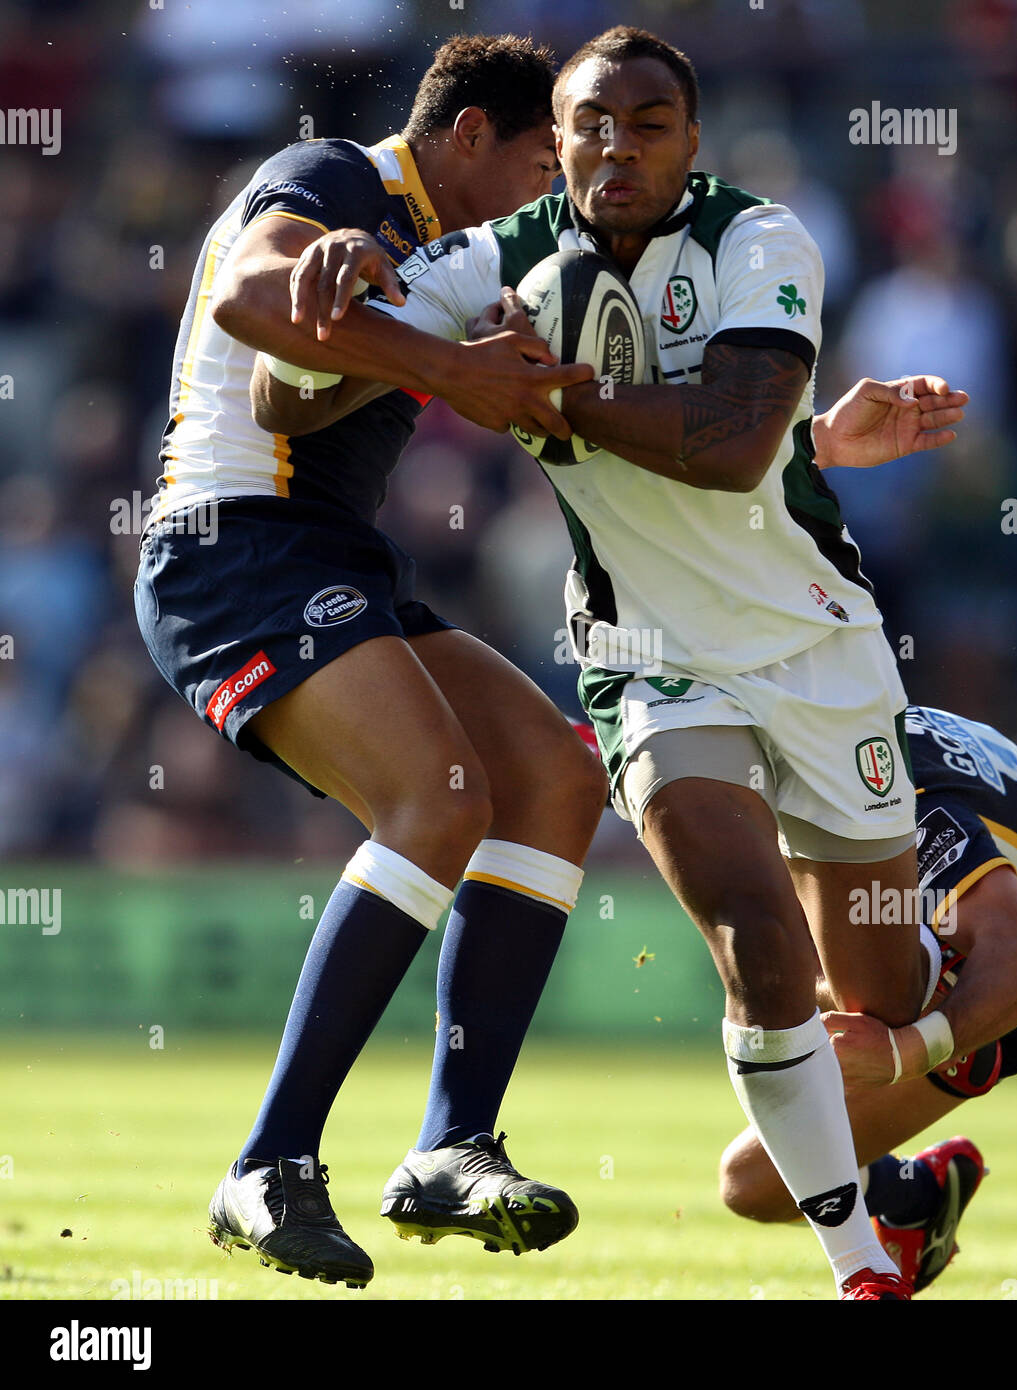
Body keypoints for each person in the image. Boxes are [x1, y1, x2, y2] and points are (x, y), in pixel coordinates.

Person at [261, 26, 971, 1299]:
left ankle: (951, 1052)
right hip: (650, 663)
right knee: (755, 940)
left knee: (879, 984)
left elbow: (737, 441)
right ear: (560, 142)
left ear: (690, 142)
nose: (614, 148)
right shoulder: (499, 260)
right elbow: (287, 401)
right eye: (589, 125)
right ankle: (861, 1264)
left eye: (648, 125)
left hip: (820, 649)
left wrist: (536, 393)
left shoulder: (760, 239)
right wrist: (346, 303)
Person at [134, 34, 609, 1290]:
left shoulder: (456, 255)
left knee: (556, 784)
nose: (544, 197)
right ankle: (270, 1164)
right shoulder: (336, 176)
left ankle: (453, 1145)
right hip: (232, 546)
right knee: (441, 795)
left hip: (334, 556)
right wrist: (453, 371)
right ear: (468, 138)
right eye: (536, 163)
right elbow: (249, 296)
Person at [718, 704, 1017, 1293]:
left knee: (754, 1182)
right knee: (750, 1177)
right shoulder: (842, 723)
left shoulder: (884, 794)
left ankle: (903, 1203)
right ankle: (913, 1195)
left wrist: (907, 1050)